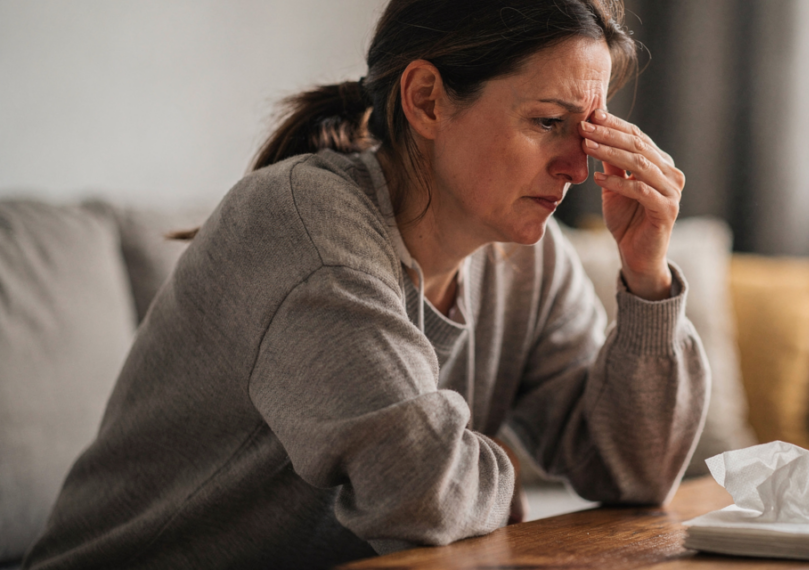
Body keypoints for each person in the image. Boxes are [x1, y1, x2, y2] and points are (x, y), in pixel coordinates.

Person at [23, 1, 709, 568]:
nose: (578, 167)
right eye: (548, 122)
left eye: (588, 129)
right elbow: (424, 498)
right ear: (427, 100)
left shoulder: (530, 260)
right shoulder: (305, 229)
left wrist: (646, 280)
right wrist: (495, 466)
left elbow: (636, 476)